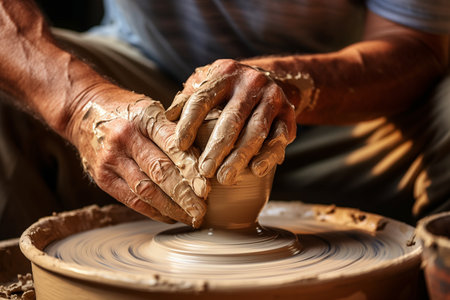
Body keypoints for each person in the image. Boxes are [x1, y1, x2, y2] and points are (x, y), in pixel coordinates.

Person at [0, 0, 448, 239]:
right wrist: (81, 105)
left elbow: (419, 43)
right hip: (140, 75)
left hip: (336, 102)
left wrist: (291, 85)